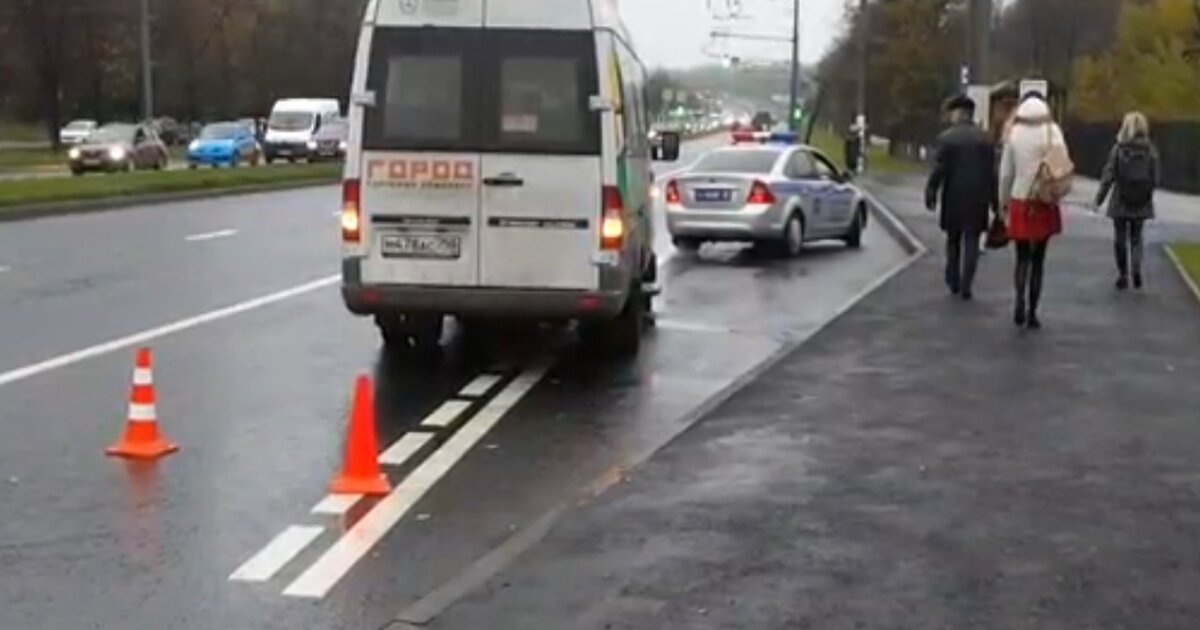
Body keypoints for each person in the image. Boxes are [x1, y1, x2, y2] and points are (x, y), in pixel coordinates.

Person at [998, 93, 1071, 329]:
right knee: (1039, 258)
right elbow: (1062, 165)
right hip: (1044, 200)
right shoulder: (1053, 131)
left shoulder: (1014, 133)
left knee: (1021, 257)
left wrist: (1003, 201)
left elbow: (1006, 172)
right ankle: (1032, 311)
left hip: (1020, 198)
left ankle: (1018, 300)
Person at [925, 94, 998, 300]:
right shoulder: (985, 139)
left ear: (957, 113)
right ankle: (967, 283)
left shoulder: (947, 138)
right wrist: (995, 201)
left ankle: (953, 277)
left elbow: (938, 170)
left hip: (954, 196)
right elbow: (992, 173)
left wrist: (931, 192)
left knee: (953, 239)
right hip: (978, 198)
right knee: (972, 240)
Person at [1094, 111, 1159, 290]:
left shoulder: (1119, 149)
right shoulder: (1150, 150)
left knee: (1120, 238)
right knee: (1137, 237)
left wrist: (1099, 199)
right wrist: (1147, 193)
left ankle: (1123, 273)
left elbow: (1109, 175)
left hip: (1120, 198)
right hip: (1141, 200)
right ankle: (1136, 268)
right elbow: (1155, 177)